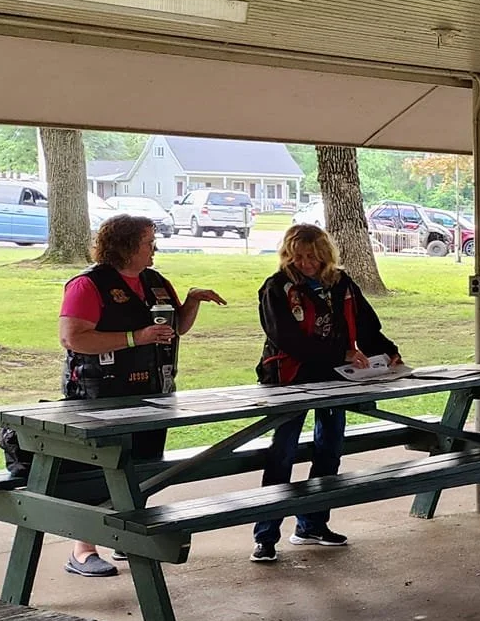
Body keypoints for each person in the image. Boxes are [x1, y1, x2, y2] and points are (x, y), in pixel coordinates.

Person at [56, 215, 225, 577]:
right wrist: (136, 338)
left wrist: (192, 301)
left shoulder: (155, 281)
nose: (154, 248)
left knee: (144, 467)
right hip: (101, 394)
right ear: (126, 245)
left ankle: (125, 533)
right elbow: (73, 337)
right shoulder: (88, 285)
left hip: (153, 390)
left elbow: (174, 328)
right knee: (99, 469)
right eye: (149, 242)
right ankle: (83, 548)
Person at [251, 224, 401, 563]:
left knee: (329, 449)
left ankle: (312, 525)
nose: (306, 263)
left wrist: (389, 352)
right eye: (298, 257)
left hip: (335, 378)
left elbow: (367, 326)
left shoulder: (341, 283)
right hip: (288, 379)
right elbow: (286, 338)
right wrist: (340, 353)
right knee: (282, 455)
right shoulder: (276, 287)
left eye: (313, 257)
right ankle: (266, 536)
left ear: (326, 256)